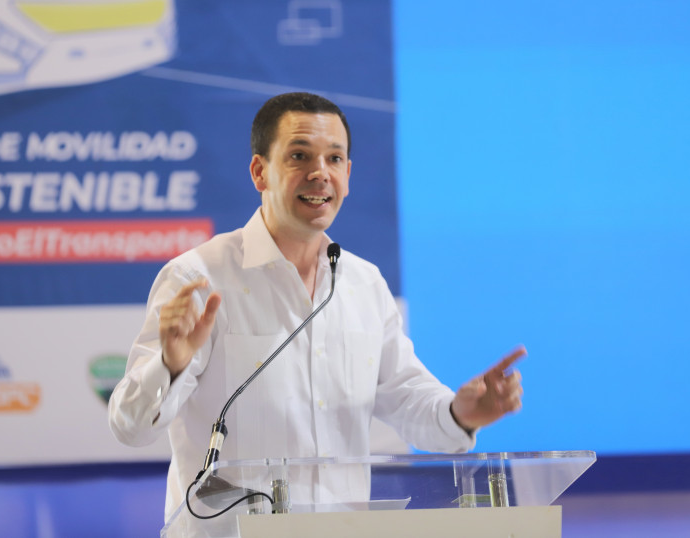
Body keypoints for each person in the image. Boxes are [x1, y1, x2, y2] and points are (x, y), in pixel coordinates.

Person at [108, 92, 525, 522]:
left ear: (348, 174)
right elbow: (130, 427)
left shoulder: (363, 284)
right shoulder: (198, 279)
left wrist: (462, 413)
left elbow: (407, 398)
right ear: (260, 172)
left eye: (334, 158)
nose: (320, 173)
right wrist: (170, 365)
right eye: (299, 156)